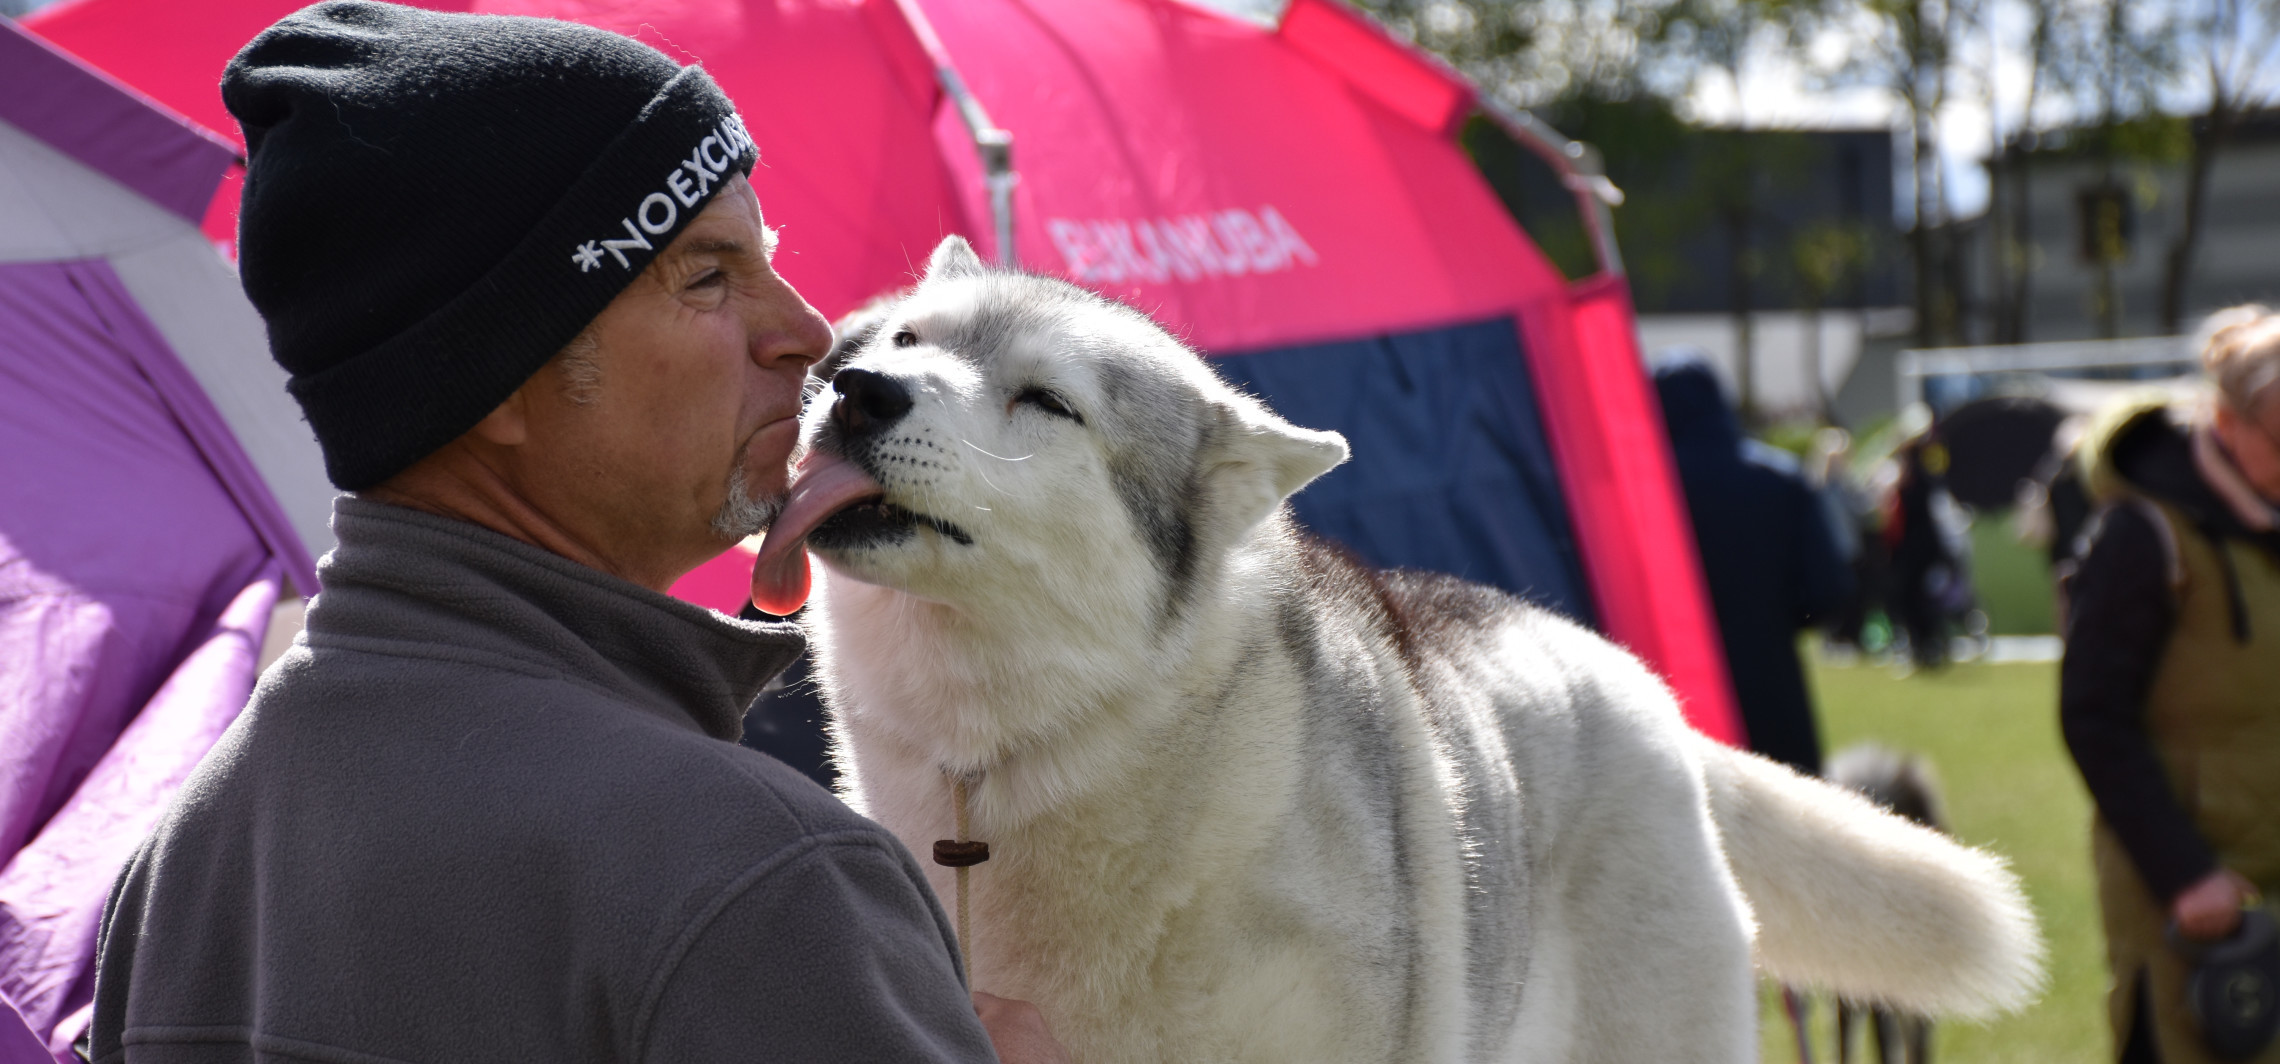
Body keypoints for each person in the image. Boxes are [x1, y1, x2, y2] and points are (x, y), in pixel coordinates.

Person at [85, 4, 1067, 1061]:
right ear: (492, 379)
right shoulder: (755, 875)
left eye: (766, 258)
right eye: (707, 276)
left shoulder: (188, 859)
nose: (807, 332)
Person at [2062, 304, 2280, 1064]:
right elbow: (2092, 715)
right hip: (2189, 902)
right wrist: (2184, 873)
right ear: (2225, 418)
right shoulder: (2142, 536)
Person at [1653, 355, 1856, 775]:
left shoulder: (1646, 494)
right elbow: (1829, 591)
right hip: (1772, 691)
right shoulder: (1779, 480)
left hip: (1674, 698)